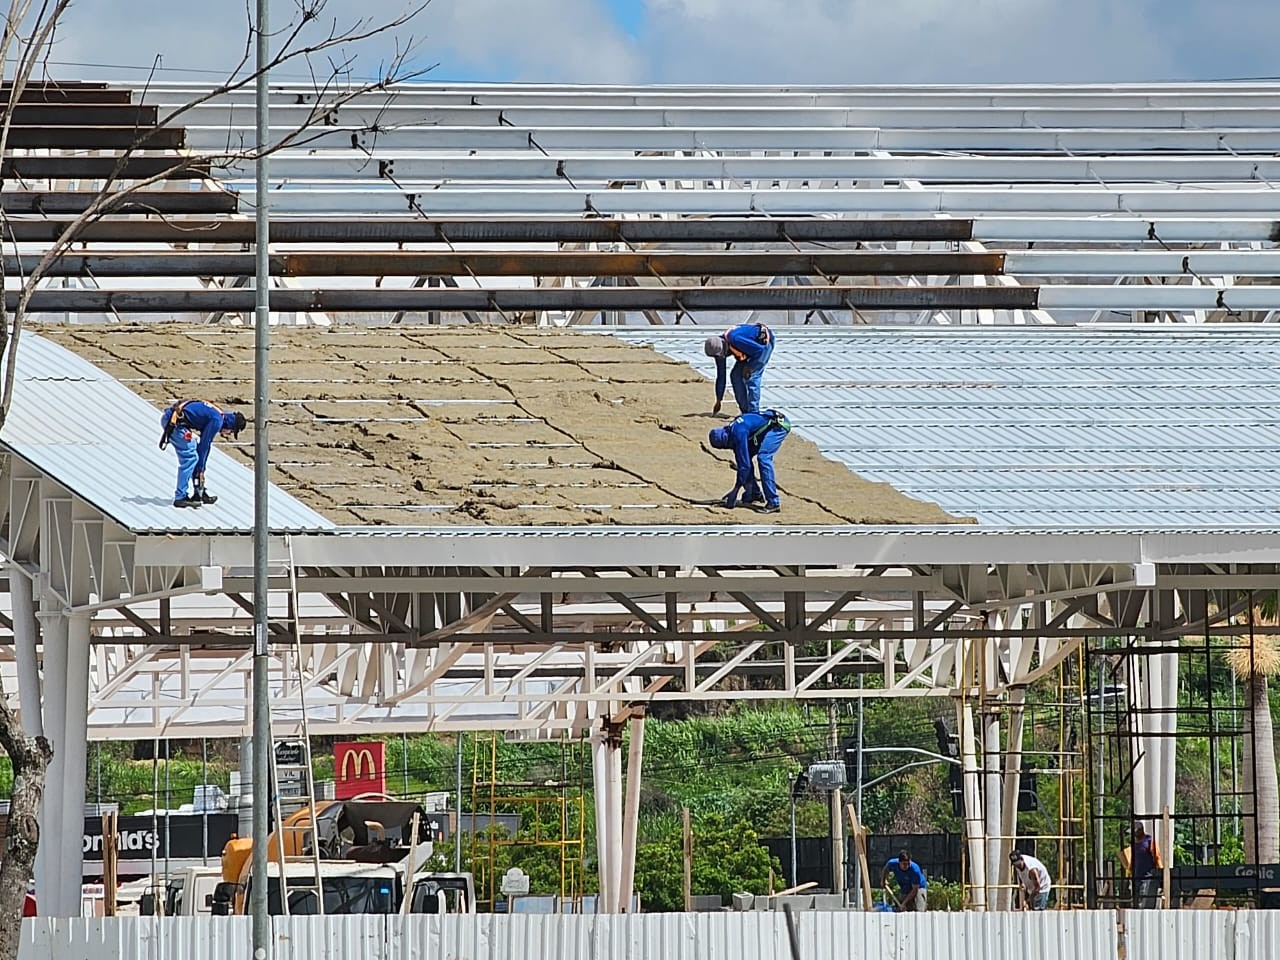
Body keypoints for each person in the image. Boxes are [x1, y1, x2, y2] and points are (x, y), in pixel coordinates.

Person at [158, 400, 246, 508]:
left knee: (195, 454)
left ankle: (200, 491)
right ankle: (180, 497)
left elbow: (203, 446)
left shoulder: (217, 413)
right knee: (191, 458)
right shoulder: (217, 421)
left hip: (174, 419)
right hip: (174, 423)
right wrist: (201, 469)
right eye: (231, 432)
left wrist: (201, 469)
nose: (228, 434)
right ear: (231, 427)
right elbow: (204, 446)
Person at [707, 409, 792, 514]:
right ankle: (754, 493)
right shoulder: (730, 430)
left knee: (763, 458)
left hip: (778, 425)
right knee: (745, 458)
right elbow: (743, 462)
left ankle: (773, 502)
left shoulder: (738, 433)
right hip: (764, 428)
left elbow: (745, 466)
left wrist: (736, 489)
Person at [703, 322, 775, 415]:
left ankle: (754, 413)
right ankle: (745, 411)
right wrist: (719, 399)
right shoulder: (719, 348)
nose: (722, 358)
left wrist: (749, 366)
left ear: (725, 346)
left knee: (752, 377)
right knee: (735, 376)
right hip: (748, 349)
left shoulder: (735, 339)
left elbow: (759, 350)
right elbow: (721, 375)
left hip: (763, 344)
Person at [1130, 823, 1163, 908]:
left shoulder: (1149, 841)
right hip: (1136, 877)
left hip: (1147, 877)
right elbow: (1132, 859)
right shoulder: (1134, 843)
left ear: (1141, 830)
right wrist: (1129, 872)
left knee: (1144, 901)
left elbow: (1157, 857)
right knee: (1135, 901)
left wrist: (1160, 872)